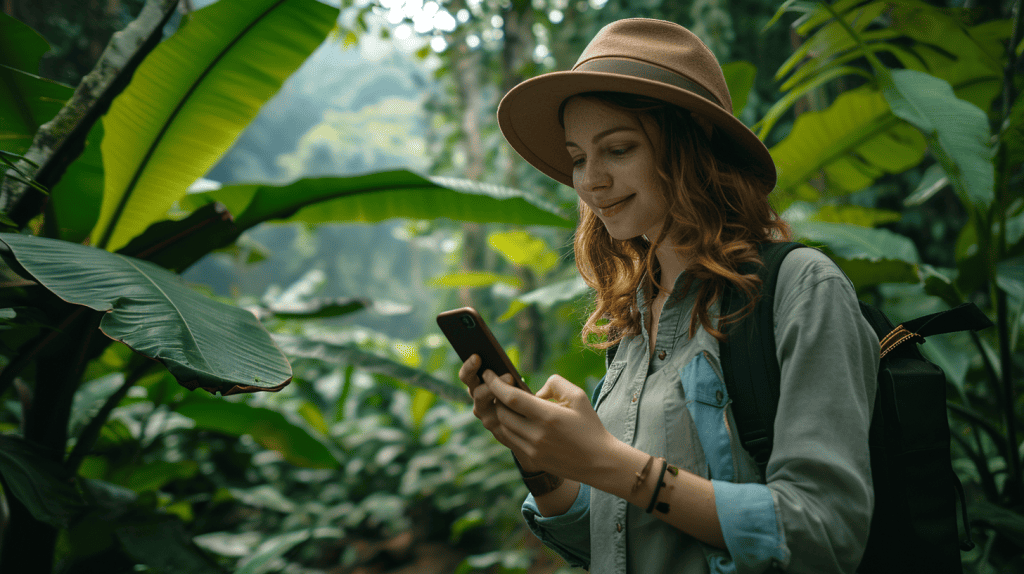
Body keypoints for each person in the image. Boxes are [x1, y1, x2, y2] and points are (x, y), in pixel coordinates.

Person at [456, 18, 879, 574]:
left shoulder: (800, 290)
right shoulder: (633, 322)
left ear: (690, 146)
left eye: (619, 149)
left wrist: (607, 462)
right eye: (579, 157)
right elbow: (624, 536)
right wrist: (542, 459)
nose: (590, 181)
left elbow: (823, 531)